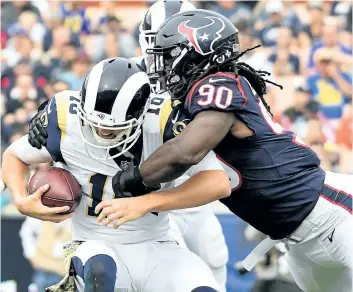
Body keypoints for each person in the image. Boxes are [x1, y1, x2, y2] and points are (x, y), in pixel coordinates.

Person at [91, 10, 352, 292]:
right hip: (296, 240)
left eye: (169, 57)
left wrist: (131, 180)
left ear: (199, 54)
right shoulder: (193, 100)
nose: (163, 67)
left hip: (334, 213)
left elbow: (185, 152)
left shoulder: (220, 83)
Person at [26, 1, 230, 290]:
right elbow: (92, 98)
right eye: (156, 42)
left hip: (187, 175)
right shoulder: (131, 74)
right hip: (145, 178)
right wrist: (49, 112)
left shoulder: (214, 80)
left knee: (210, 249)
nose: (163, 53)